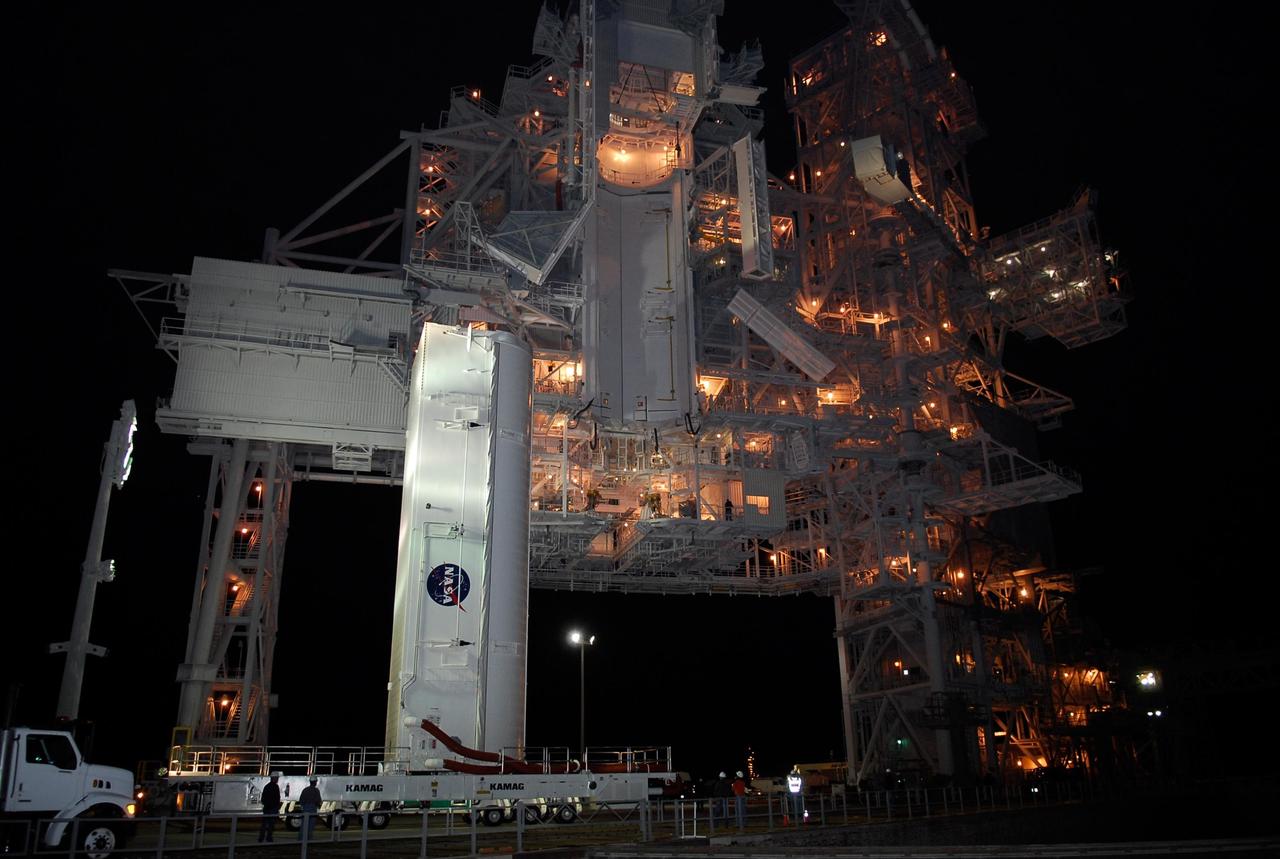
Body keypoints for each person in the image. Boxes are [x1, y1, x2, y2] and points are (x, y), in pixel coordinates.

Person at [258, 772, 281, 842]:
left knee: (264, 824)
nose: (277, 779)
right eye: (277, 778)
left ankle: (261, 838)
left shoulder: (267, 786)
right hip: (272, 808)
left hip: (267, 808)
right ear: (275, 778)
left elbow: (263, 798)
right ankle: (269, 837)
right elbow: (277, 798)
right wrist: (276, 806)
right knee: (271, 824)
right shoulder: (275, 787)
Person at [298, 776, 322, 841]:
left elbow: (301, 800)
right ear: (315, 782)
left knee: (304, 824)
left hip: (305, 808)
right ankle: (308, 839)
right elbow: (318, 801)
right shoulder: (316, 790)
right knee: (311, 825)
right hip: (312, 808)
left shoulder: (305, 790)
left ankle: (301, 838)